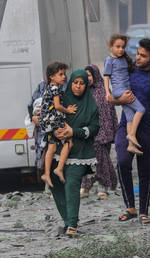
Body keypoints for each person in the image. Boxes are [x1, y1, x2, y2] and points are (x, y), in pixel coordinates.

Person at [108, 38, 150, 225]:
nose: (137, 57)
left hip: (149, 130)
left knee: (145, 171)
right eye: (137, 53)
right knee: (122, 162)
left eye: (143, 56)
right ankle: (130, 206)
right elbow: (112, 93)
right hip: (126, 126)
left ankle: (144, 212)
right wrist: (117, 100)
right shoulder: (128, 71)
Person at [50, 69, 99, 236]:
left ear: (86, 85)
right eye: (75, 83)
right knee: (54, 183)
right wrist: (56, 130)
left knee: (71, 184)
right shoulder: (61, 99)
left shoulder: (91, 105)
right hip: (58, 149)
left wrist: (74, 132)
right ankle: (67, 219)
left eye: (82, 83)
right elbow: (49, 113)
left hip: (81, 152)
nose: (78, 86)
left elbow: (94, 128)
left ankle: (72, 224)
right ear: (70, 83)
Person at [80, 64, 118, 199]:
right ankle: (86, 186)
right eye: (86, 75)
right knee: (87, 160)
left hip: (104, 132)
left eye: (89, 75)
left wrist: (113, 130)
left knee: (102, 160)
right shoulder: (83, 91)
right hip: (88, 132)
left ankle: (103, 186)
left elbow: (110, 112)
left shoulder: (104, 90)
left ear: (95, 75)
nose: (87, 78)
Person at [104, 34, 145, 155]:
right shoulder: (110, 60)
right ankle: (131, 135)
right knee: (141, 109)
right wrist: (108, 92)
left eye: (123, 47)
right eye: (117, 47)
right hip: (120, 90)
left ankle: (131, 145)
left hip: (125, 88)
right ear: (111, 47)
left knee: (130, 116)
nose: (121, 49)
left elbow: (135, 68)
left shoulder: (124, 59)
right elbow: (106, 77)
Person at [39, 62, 77, 188]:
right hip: (53, 121)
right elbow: (57, 106)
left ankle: (46, 174)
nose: (64, 77)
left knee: (52, 147)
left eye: (64, 74)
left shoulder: (48, 87)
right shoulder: (55, 89)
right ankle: (59, 168)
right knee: (68, 142)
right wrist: (68, 110)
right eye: (60, 74)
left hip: (46, 122)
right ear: (52, 76)